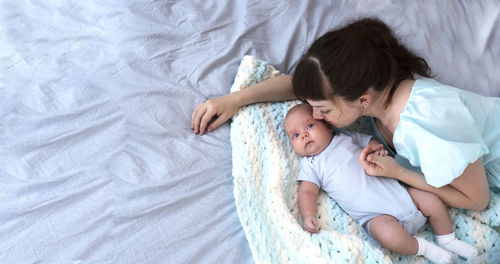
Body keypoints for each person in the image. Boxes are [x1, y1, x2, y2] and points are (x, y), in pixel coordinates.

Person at [192, 17, 500, 211]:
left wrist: (399, 173)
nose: (315, 115)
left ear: (362, 101)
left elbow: (477, 200)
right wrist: (234, 100)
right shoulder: (379, 88)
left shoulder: (427, 122)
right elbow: (301, 87)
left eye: (322, 110)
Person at [284, 104, 477, 263]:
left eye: (309, 126)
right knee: (389, 237)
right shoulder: (310, 164)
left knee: (432, 201)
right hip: (376, 216)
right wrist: (308, 215)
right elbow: (307, 192)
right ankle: (425, 249)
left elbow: (372, 143)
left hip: (403, 195)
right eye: (295, 135)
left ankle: (448, 239)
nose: (303, 135)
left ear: (327, 126)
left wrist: (376, 149)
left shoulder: (348, 137)